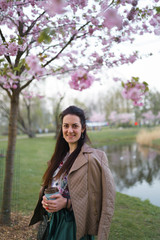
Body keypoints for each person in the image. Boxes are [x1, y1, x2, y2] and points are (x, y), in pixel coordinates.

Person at [29, 105, 116, 240]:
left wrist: (66, 203)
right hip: (53, 221)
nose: (70, 130)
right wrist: (46, 200)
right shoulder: (59, 156)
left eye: (74, 126)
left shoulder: (94, 158)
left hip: (73, 226)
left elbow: (103, 200)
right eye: (66, 126)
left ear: (83, 128)